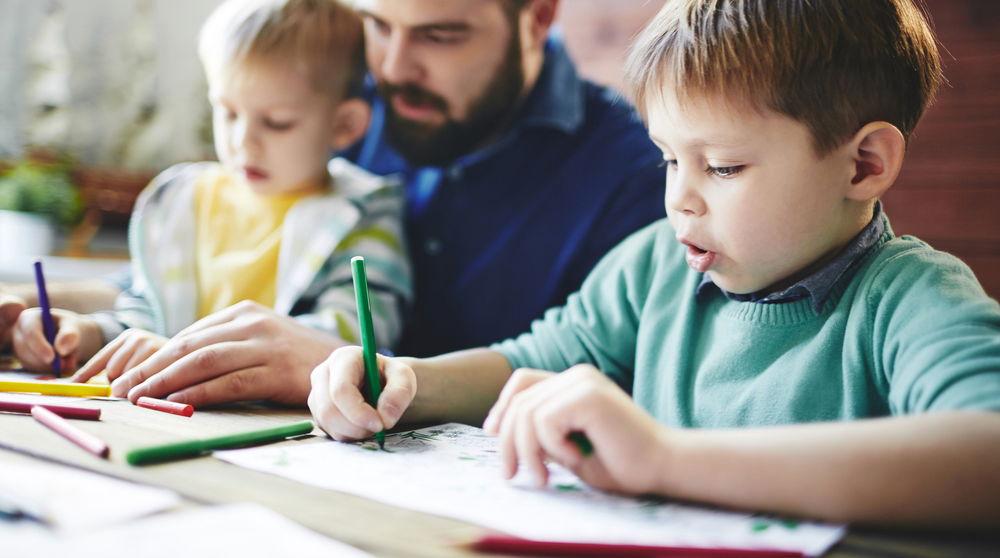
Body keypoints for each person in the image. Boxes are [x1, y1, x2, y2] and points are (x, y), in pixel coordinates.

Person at [308, 0, 1000, 526]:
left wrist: (665, 459)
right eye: (669, 158)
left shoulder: (910, 299)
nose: (679, 199)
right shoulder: (657, 267)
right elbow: (533, 358)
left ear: (864, 163)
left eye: (723, 166)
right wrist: (400, 381)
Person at [84, 0, 663, 407]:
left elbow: (611, 373)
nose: (392, 67)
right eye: (378, 24)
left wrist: (332, 357)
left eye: (440, 35)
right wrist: (67, 313)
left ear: (537, 17)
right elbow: (209, 269)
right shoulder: (340, 101)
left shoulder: (636, 177)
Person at [12, 0, 410, 404]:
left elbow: (355, 340)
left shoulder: (364, 213)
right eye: (228, 112)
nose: (242, 142)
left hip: (275, 427)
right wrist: (89, 334)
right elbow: (148, 312)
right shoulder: (182, 201)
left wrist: (178, 355)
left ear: (345, 125)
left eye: (277, 123)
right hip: (163, 411)